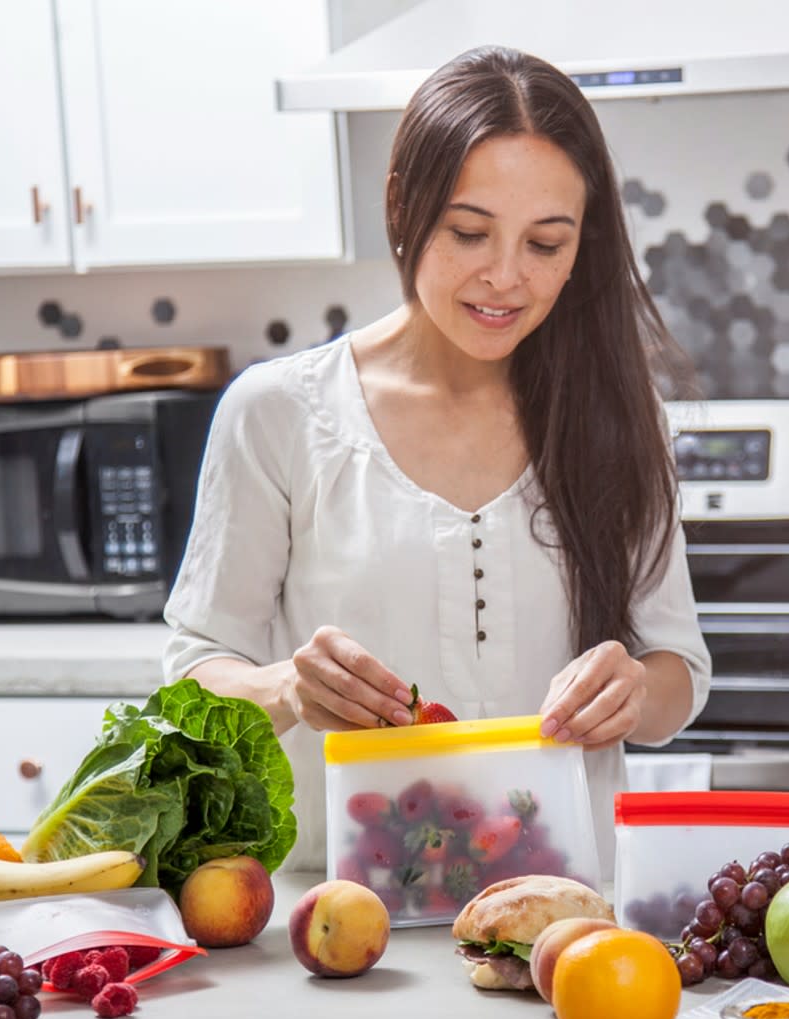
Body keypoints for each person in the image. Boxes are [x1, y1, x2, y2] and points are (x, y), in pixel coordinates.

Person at [162, 45, 711, 879]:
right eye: (469, 232)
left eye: (546, 244)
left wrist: (635, 687)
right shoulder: (279, 413)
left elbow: (680, 673)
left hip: (562, 929)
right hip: (349, 930)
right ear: (402, 206)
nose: (505, 277)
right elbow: (191, 684)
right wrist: (285, 690)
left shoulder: (620, 421)